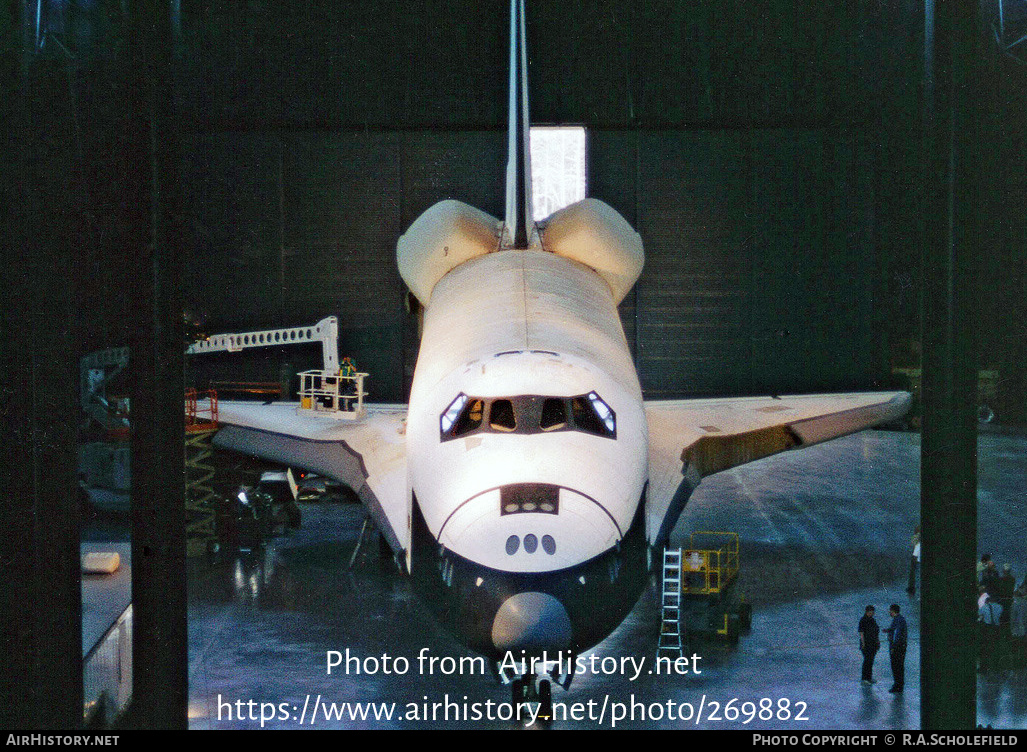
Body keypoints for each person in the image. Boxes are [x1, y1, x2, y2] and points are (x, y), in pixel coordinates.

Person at [882, 604, 907, 693]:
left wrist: (893, 647)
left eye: (890, 611)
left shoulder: (898, 620)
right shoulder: (899, 619)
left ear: (893, 611)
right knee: (898, 666)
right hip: (899, 647)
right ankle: (898, 684)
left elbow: (897, 634)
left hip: (897, 648)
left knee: (896, 666)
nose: (889, 612)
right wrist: (888, 630)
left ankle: (898, 685)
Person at [979, 594, 1003, 673]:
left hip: (987, 628)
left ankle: (984, 667)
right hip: (996, 628)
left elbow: (980, 615)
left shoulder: (985, 607)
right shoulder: (1000, 607)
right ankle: (996, 666)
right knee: (995, 647)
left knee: (985, 648)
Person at [858, 605, 880, 685]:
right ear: (867, 612)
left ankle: (869, 677)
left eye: (873, 612)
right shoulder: (863, 620)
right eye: (870, 612)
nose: (872, 614)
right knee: (867, 661)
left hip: (873, 643)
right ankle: (864, 678)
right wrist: (863, 643)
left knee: (870, 661)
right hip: (867, 644)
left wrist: (877, 641)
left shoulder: (872, 620)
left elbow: (876, 631)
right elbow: (861, 633)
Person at [907, 526, 921, 594]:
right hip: (917, 560)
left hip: (917, 560)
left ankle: (913, 589)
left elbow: (915, 554)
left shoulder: (918, 543)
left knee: (916, 576)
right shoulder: (917, 542)